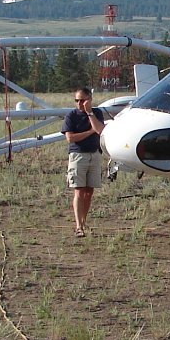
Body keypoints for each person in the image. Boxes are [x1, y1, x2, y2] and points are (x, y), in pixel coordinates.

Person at [62, 87, 106, 237]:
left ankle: (84, 221)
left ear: (90, 99)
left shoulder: (96, 113)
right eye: (77, 100)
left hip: (94, 155)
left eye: (83, 100)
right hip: (78, 155)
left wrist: (89, 113)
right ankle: (78, 226)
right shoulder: (71, 116)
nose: (79, 103)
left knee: (89, 191)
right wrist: (90, 132)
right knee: (79, 191)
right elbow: (70, 138)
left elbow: (99, 129)